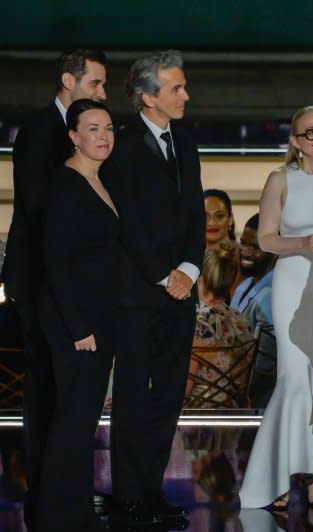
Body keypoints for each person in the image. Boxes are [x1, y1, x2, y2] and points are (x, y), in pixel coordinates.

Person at [1, 48, 107, 530]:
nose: (103, 94)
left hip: (68, 289)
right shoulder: (40, 132)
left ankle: (59, 495)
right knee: (48, 394)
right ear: (70, 80)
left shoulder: (88, 134)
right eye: (97, 84)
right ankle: (48, 499)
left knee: (65, 399)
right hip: (41, 285)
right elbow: (43, 216)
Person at [102, 50, 205, 527]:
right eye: (176, 88)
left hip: (180, 294)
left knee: (167, 398)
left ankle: (152, 490)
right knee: (132, 398)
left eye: (183, 86)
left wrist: (189, 267)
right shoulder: (121, 148)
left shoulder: (185, 140)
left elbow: (197, 214)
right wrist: (167, 275)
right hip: (139, 295)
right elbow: (127, 224)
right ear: (148, 97)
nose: (185, 95)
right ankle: (127, 495)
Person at [239, 106, 313, 511]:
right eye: (310, 133)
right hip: (292, 281)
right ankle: (281, 478)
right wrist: (303, 243)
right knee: (294, 378)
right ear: (295, 141)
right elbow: (267, 240)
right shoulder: (280, 180)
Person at [36, 99, 117, 532]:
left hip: (96, 320)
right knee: (72, 420)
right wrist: (79, 326)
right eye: (92, 128)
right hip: (76, 323)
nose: (103, 135)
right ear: (73, 136)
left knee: (82, 420)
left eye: (108, 127)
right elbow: (56, 260)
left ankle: (74, 512)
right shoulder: (66, 184)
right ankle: (58, 517)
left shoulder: (99, 180)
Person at [189, 241, 255, 407]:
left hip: (193, 423)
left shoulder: (196, 324)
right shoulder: (242, 321)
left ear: (199, 278)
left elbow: (179, 394)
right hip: (235, 423)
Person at [231, 213, 278, 407]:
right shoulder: (245, 285)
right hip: (237, 390)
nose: (246, 252)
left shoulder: (273, 293)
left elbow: (270, 358)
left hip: (260, 400)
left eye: (255, 248)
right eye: (244, 243)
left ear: (275, 251)